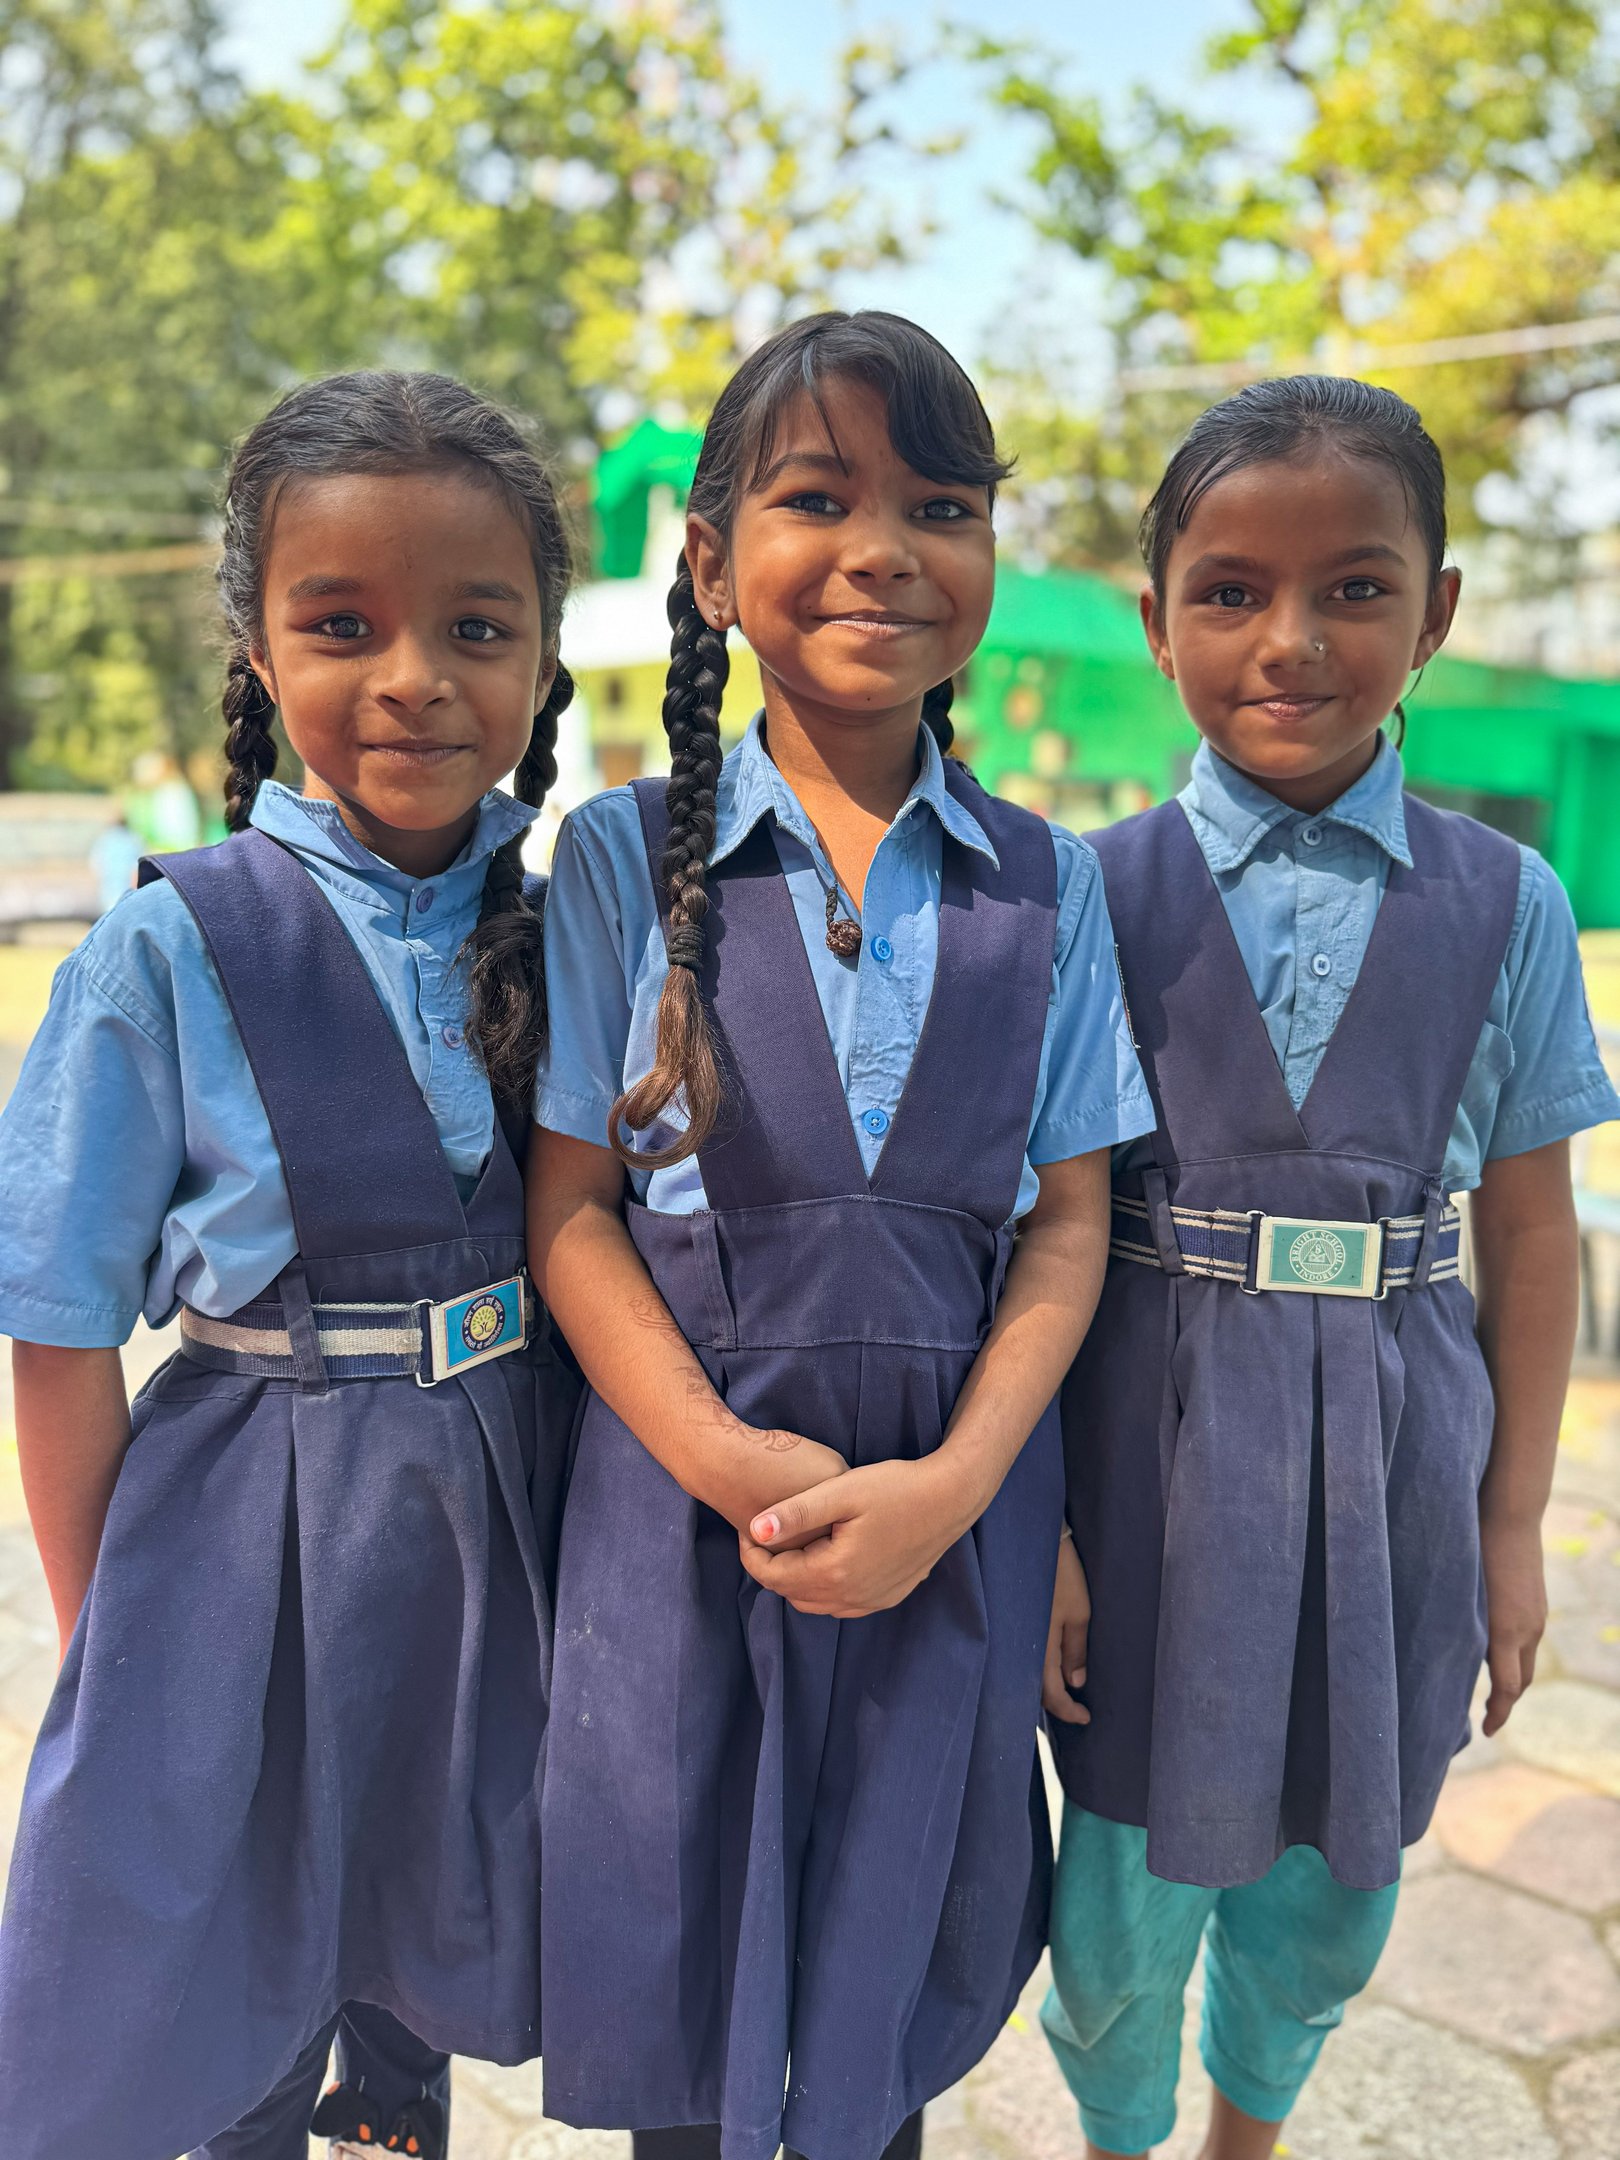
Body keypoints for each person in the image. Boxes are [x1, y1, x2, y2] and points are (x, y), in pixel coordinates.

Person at [529, 310, 1154, 2160]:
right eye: (820, 496)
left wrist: (963, 1490)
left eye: (942, 503)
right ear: (709, 561)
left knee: (890, 1985)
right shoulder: (615, 861)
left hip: (947, 1529)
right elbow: (571, 1213)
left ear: (990, 560)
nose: (885, 544)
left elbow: (1067, 1225)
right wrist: (724, 1459)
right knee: (690, 1985)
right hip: (686, 1515)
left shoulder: (1050, 885)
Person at [0, 369, 581, 2160]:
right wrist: (118, 1628)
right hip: (245, 1529)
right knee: (233, 1935)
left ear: (548, 662)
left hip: (497, 1519)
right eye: (344, 622)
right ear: (255, 647)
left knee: (429, 1896)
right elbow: (59, 1326)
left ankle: (394, 2123)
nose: (413, 673)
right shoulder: (171, 950)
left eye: (474, 625)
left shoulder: (577, 928)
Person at [1040, 375, 1620, 2160]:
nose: (1292, 641)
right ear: (1156, 623)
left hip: (1391, 1459)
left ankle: (1251, 2130)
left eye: (1355, 588)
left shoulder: (1505, 906)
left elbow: (1531, 1228)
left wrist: (1510, 1520)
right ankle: (1121, 2127)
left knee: (1332, 1876)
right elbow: (1034, 1227)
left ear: (1435, 610)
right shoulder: (1080, 894)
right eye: (1231, 591)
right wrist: (1045, 1525)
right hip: (1152, 1452)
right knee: (1120, 1898)